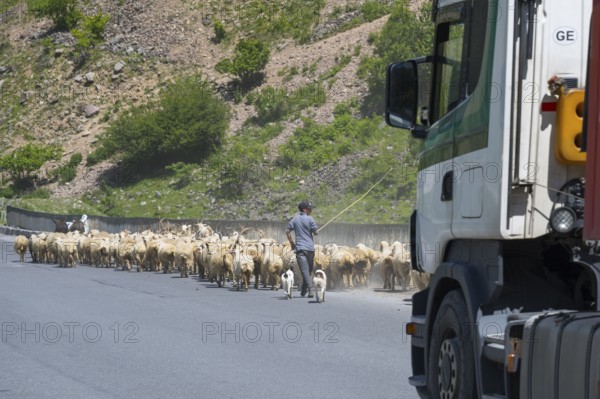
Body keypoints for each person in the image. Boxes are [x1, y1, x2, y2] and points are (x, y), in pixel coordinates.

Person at [286, 201, 318, 298]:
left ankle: (304, 290)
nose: (311, 210)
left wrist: (292, 243)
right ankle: (311, 289)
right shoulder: (310, 219)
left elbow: (287, 231)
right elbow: (315, 232)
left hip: (300, 249)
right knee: (306, 271)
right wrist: (315, 232)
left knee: (305, 271)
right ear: (304, 209)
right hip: (310, 249)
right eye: (309, 208)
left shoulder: (295, 219)